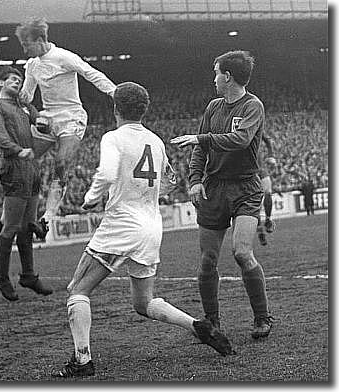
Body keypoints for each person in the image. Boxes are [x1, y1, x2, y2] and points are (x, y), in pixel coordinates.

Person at [52, 82, 234, 379]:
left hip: (122, 223)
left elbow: (108, 172)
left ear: (115, 108)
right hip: (151, 225)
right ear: (143, 109)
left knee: (77, 291)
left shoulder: (113, 138)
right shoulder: (155, 140)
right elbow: (170, 181)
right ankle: (197, 326)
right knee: (143, 302)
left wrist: (90, 199)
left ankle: (82, 360)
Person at [170, 50, 273, 339]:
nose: (213, 78)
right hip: (214, 189)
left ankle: (262, 318)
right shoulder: (213, 107)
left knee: (242, 252)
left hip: (245, 189)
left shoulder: (253, 106)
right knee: (207, 261)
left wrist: (201, 138)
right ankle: (212, 322)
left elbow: (240, 140)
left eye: (216, 73)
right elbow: (200, 149)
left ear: (227, 76)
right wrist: (194, 181)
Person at [15, 18, 116, 218]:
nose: (25, 50)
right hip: (48, 119)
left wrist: (115, 93)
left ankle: (49, 214)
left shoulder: (63, 57)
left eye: (27, 45)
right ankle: (23, 211)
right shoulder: (32, 65)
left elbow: (91, 74)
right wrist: (23, 98)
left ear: (40, 39)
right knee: (24, 160)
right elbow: (28, 94)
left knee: (61, 163)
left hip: (71, 118)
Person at [0, 66, 53, 301]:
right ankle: (2, 278)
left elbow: (43, 125)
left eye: (19, 80)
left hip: (33, 167)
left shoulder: (24, 107)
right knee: (11, 228)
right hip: (15, 164)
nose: (16, 82)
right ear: (1, 83)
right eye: (12, 79)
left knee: (28, 226)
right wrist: (17, 150)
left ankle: (28, 275)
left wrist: (38, 113)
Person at [257, 134, 278, 246]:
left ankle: (268, 219)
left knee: (268, 193)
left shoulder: (253, 121)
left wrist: (271, 156)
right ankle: (260, 232)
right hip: (245, 173)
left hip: (260, 170)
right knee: (252, 205)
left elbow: (268, 139)